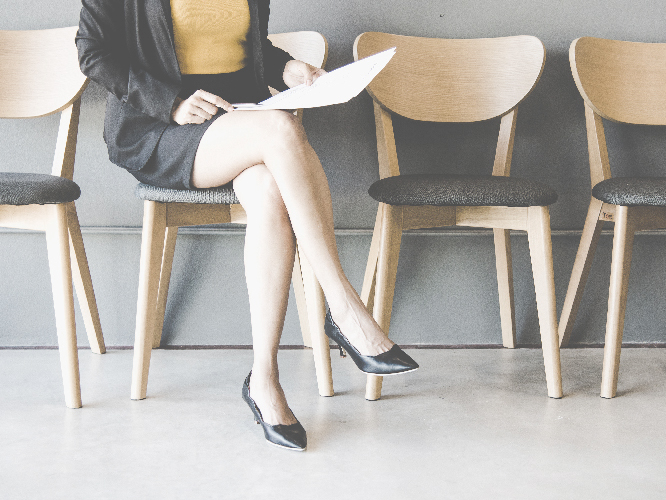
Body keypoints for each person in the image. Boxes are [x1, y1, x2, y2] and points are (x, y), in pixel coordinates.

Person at [76, 0, 417, 451]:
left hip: (236, 116)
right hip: (161, 127)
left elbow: (242, 47)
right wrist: (170, 103)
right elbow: (91, 51)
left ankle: (265, 379)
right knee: (280, 129)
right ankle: (344, 307)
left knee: (270, 191)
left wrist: (287, 66)